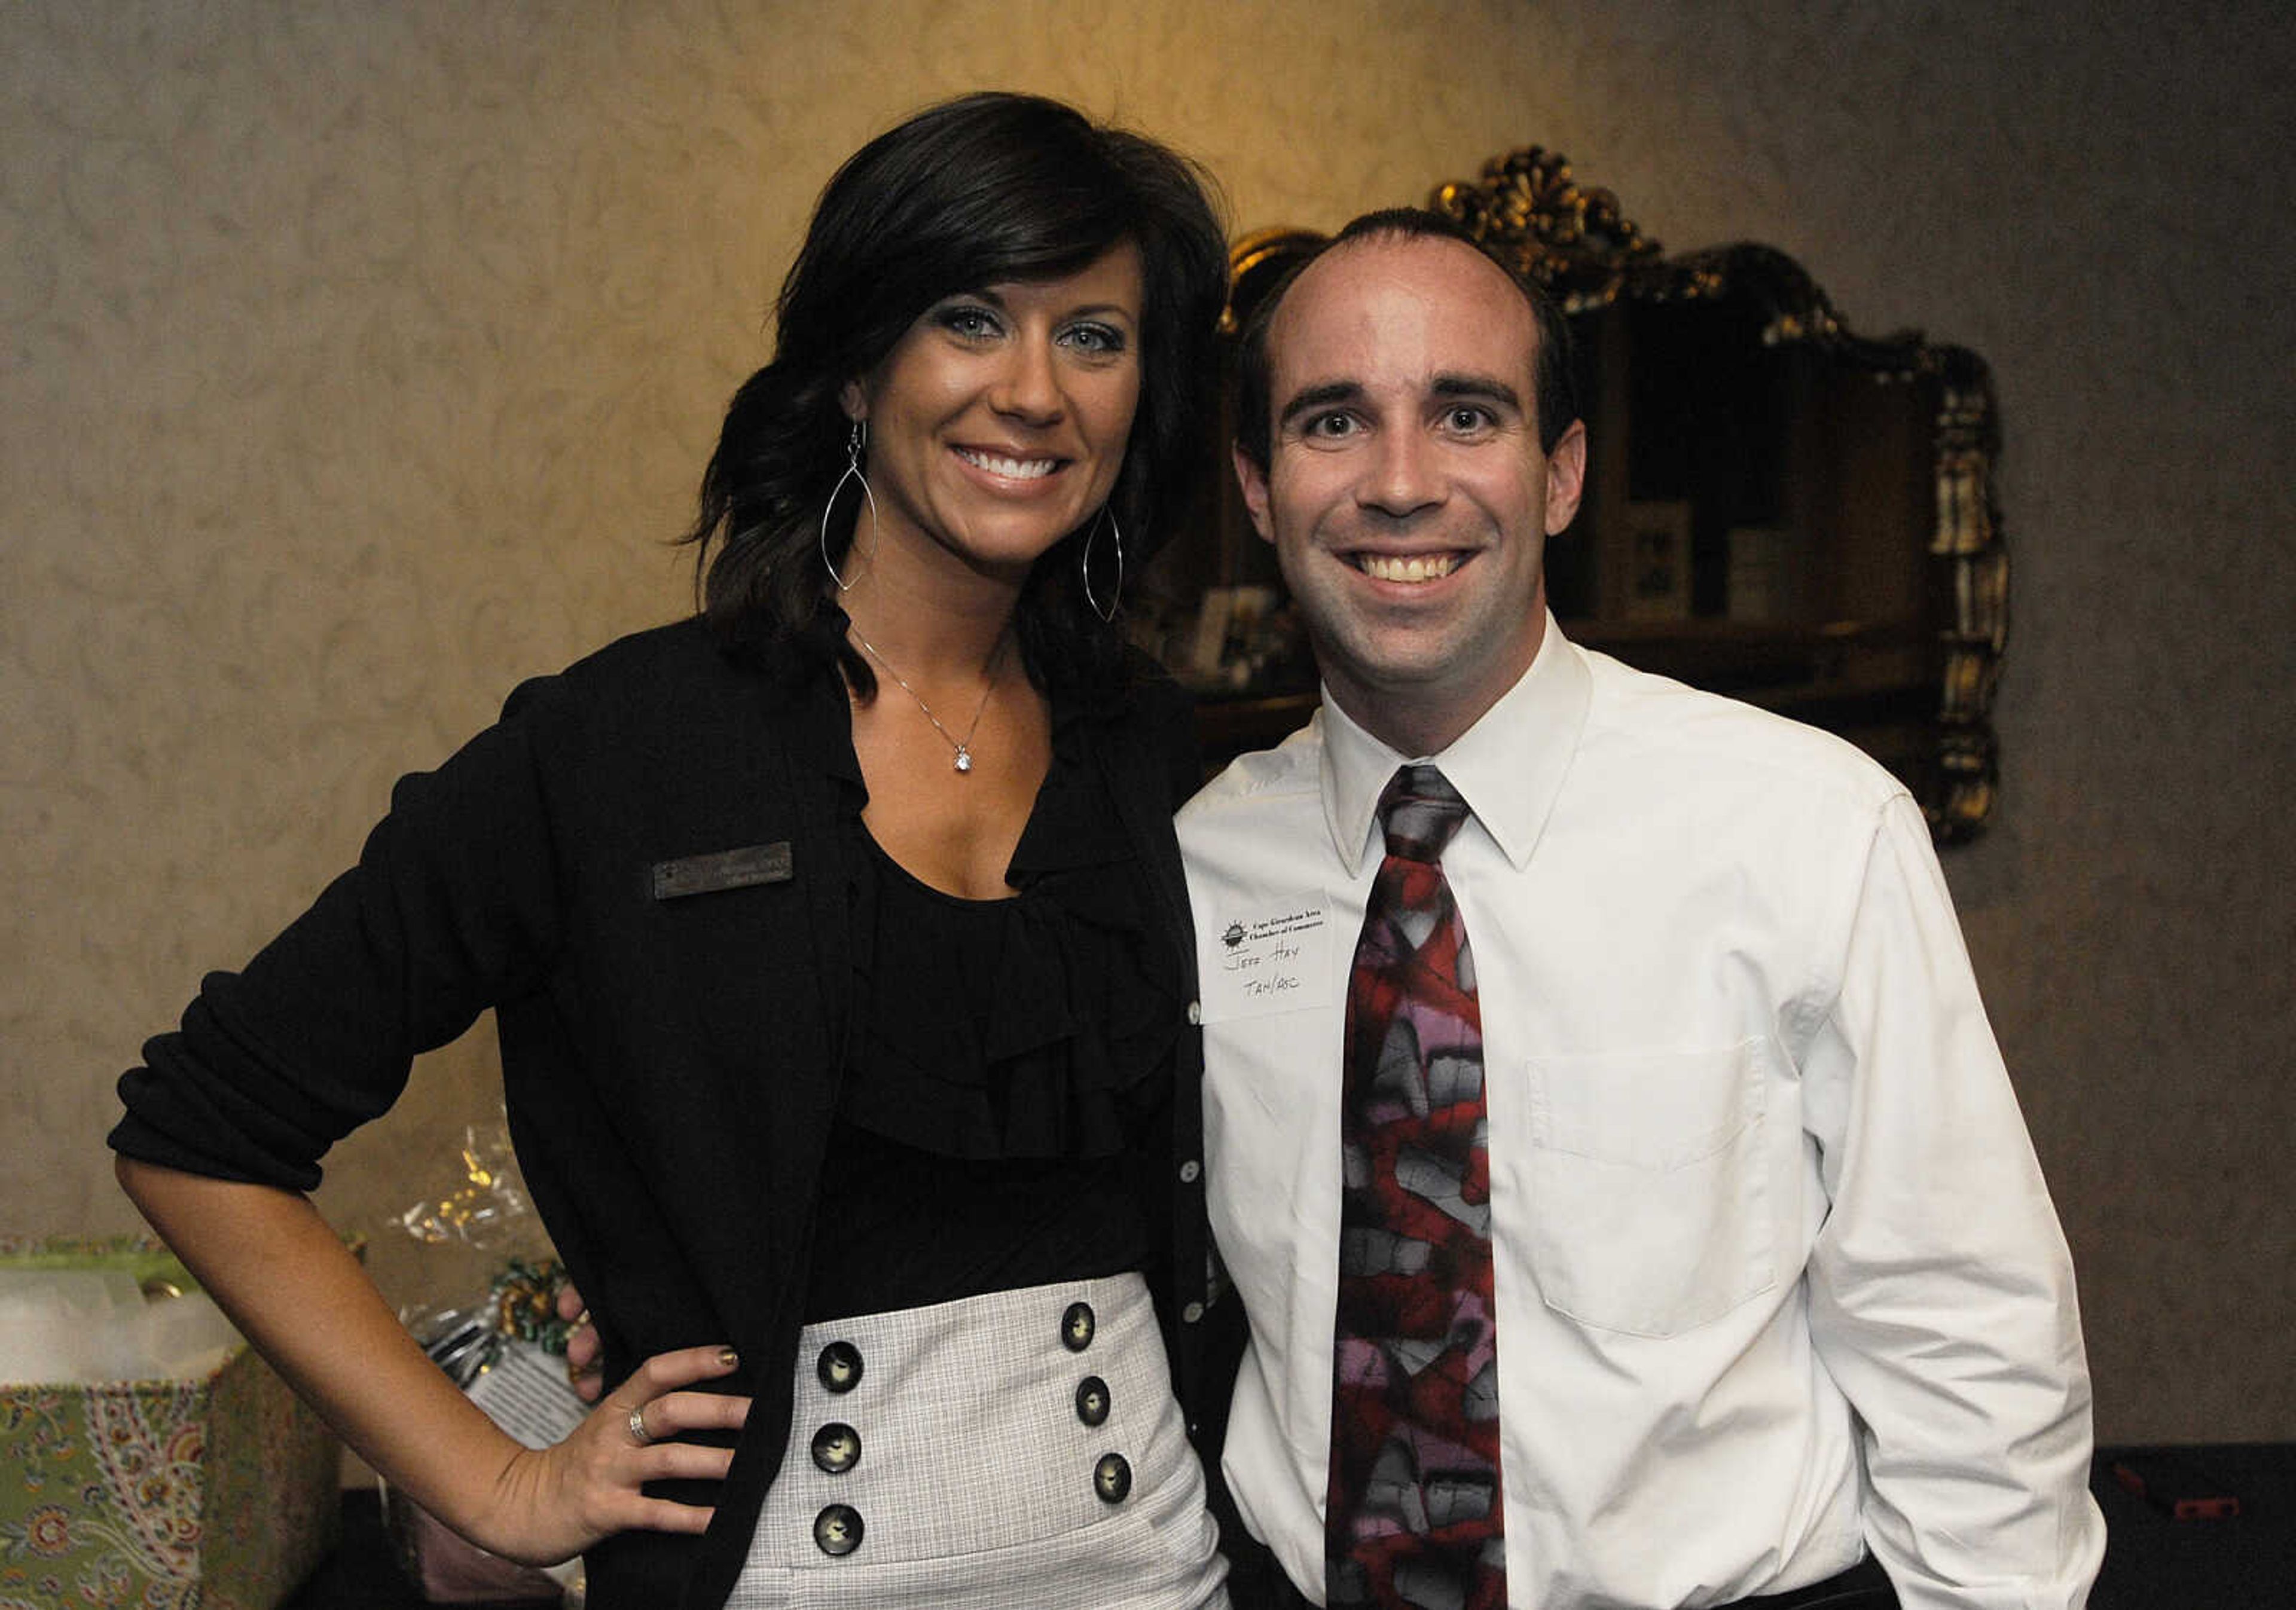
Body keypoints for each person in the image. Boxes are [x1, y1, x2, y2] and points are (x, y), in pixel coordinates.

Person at [110, 92, 1242, 1610]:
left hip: (1158, 1569)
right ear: (857, 368)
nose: (1034, 391)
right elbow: (200, 1133)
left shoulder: (1162, 756)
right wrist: (498, 1482)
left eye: (1094, 337)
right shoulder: (621, 747)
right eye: (971, 319)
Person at [1177, 210, 2106, 1609]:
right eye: (1331, 423)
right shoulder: (1194, 865)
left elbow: (1967, 1334)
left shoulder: (1807, 830)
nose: (1402, 481)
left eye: (1468, 415)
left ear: (1561, 475)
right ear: (1256, 485)